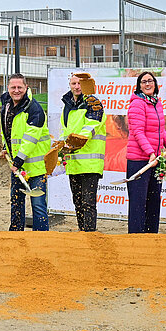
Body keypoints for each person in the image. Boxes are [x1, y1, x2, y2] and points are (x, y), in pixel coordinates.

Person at [126, 72, 166, 234]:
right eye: (143, 82)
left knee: (154, 199)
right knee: (138, 201)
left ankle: (151, 235)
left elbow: (159, 129)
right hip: (140, 161)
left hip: (155, 160)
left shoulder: (156, 103)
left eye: (150, 81)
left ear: (155, 84)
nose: (147, 84)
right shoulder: (137, 104)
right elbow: (137, 131)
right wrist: (150, 152)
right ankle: (136, 237)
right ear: (139, 85)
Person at [0, 73, 51, 231]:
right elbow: (8, 132)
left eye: (19, 87)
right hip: (18, 165)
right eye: (13, 87)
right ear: (8, 88)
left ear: (26, 88)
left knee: (38, 204)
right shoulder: (7, 106)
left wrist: (18, 161)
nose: (16, 90)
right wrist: (4, 147)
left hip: (35, 167)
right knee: (16, 202)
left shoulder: (34, 109)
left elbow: (30, 138)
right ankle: (16, 235)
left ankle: (41, 236)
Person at [59, 73, 106, 232]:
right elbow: (64, 131)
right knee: (78, 202)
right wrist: (61, 147)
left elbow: (90, 128)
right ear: (70, 85)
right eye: (73, 83)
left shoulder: (94, 104)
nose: (76, 87)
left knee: (88, 202)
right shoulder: (67, 106)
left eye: (79, 83)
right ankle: (82, 233)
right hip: (73, 163)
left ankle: (90, 235)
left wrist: (71, 143)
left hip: (90, 163)